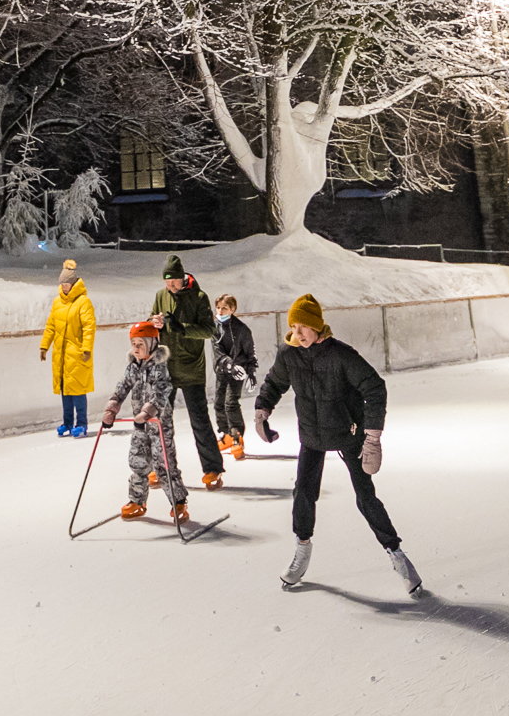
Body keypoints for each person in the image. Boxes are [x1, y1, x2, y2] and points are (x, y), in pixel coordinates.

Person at [255, 294, 422, 595]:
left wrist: (372, 437)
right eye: (294, 326)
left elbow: (374, 387)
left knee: (365, 497)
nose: (298, 332)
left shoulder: (341, 355)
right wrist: (262, 411)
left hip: (349, 433)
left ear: (318, 326)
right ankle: (301, 550)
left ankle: (396, 554)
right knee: (303, 493)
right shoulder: (288, 354)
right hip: (312, 434)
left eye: (304, 326)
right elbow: (274, 383)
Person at [99, 315, 188, 525]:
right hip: (140, 426)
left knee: (164, 464)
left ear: (151, 343)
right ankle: (137, 500)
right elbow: (123, 386)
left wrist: (147, 413)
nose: (136, 348)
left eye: (140, 344)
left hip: (158, 424)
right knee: (137, 461)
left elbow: (163, 391)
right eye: (133, 344)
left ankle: (179, 502)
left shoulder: (159, 367)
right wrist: (113, 406)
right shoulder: (133, 366)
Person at [152, 255, 226, 487]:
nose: (170, 286)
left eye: (174, 282)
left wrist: (179, 327)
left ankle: (213, 468)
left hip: (191, 367)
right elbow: (156, 319)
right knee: (161, 421)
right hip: (167, 368)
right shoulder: (161, 296)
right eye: (167, 282)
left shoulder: (199, 297)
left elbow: (208, 330)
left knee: (199, 420)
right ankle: (161, 467)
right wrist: (153, 323)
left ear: (183, 279)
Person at [40, 259, 97, 436]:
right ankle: (67, 423)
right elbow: (51, 326)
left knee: (78, 392)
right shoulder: (58, 302)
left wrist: (86, 349)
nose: (64, 287)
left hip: (78, 355)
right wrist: (44, 346)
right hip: (62, 356)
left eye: (67, 284)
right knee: (65, 392)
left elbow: (89, 327)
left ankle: (82, 424)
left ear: (73, 284)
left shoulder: (83, 302)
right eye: (62, 284)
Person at [212, 294, 258, 459]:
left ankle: (237, 436)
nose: (220, 311)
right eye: (218, 307)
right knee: (218, 404)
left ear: (233, 309)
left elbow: (250, 352)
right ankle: (226, 435)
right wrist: (228, 365)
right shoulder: (215, 328)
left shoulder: (242, 330)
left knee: (230, 403)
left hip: (238, 373)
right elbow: (217, 351)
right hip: (223, 371)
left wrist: (251, 373)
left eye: (224, 308)